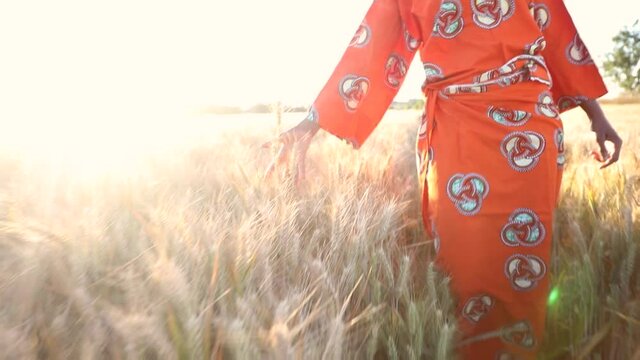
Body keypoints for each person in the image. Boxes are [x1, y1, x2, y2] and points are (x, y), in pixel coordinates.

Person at [263, 0, 623, 358]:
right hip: (457, 131)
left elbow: (556, 34)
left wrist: (597, 117)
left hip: (529, 132)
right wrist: (311, 124)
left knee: (523, 263)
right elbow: (374, 46)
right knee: (462, 260)